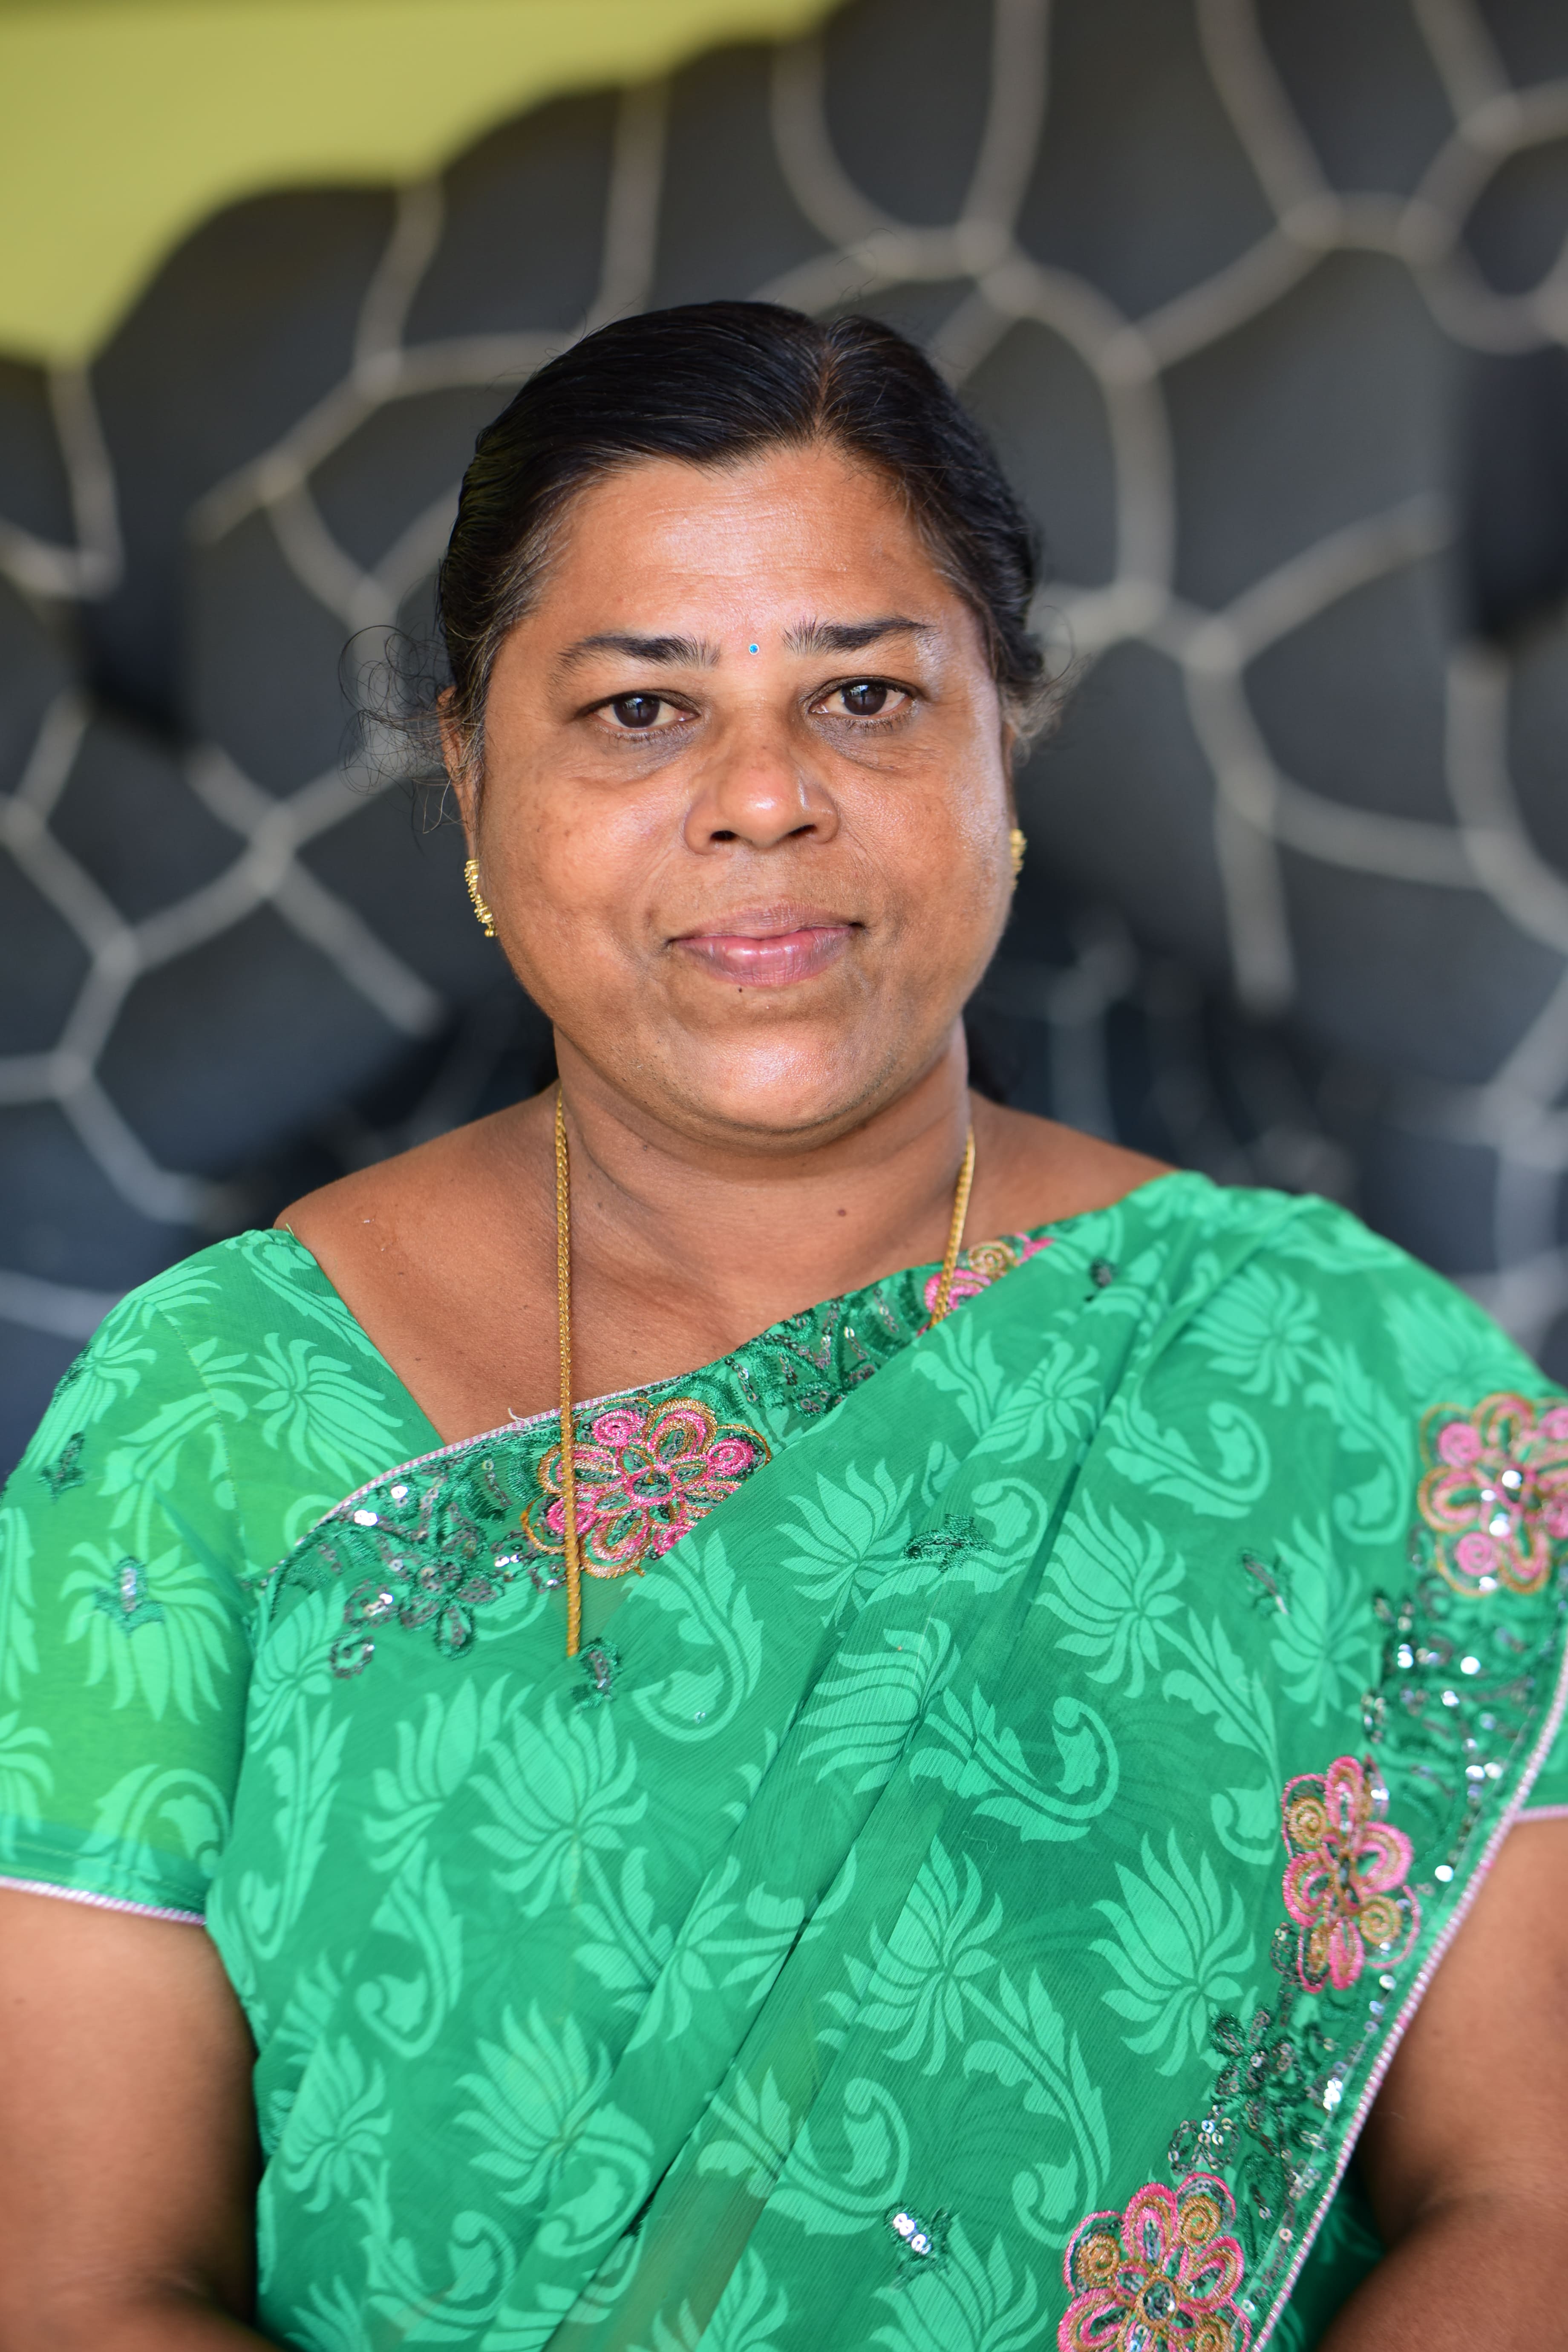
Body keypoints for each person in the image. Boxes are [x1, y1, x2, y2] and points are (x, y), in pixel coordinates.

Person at [1, 301, 1566, 2352]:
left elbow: (1531, 2200)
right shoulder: (210, 1417)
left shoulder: (1356, 1384)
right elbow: (76, 2283)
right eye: (640, 709)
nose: (762, 799)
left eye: (863, 696)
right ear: (472, 773)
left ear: (1006, 742)